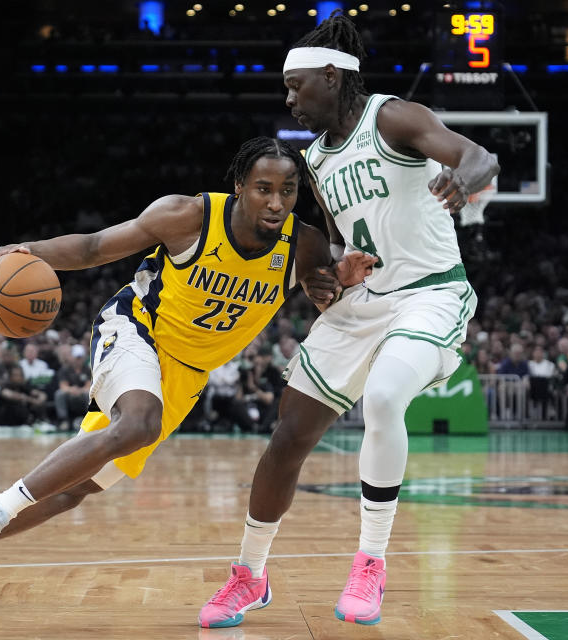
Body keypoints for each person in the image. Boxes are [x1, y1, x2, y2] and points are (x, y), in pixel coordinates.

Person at [0, 137, 376, 613]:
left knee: (73, 490)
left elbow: (323, 289)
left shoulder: (304, 244)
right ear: (240, 186)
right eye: (264, 188)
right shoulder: (187, 217)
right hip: (136, 329)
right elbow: (95, 246)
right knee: (138, 423)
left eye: (288, 190)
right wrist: (28, 250)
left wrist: (335, 283)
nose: (276, 202)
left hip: (188, 373)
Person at [200, 13, 499, 628]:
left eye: (295, 85)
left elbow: (479, 155)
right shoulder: (314, 161)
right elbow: (340, 251)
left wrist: (462, 179)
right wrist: (331, 276)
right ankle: (248, 576)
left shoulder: (392, 116)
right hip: (369, 300)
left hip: (430, 295)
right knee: (288, 438)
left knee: (386, 397)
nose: (288, 98)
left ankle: (370, 563)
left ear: (331, 78)